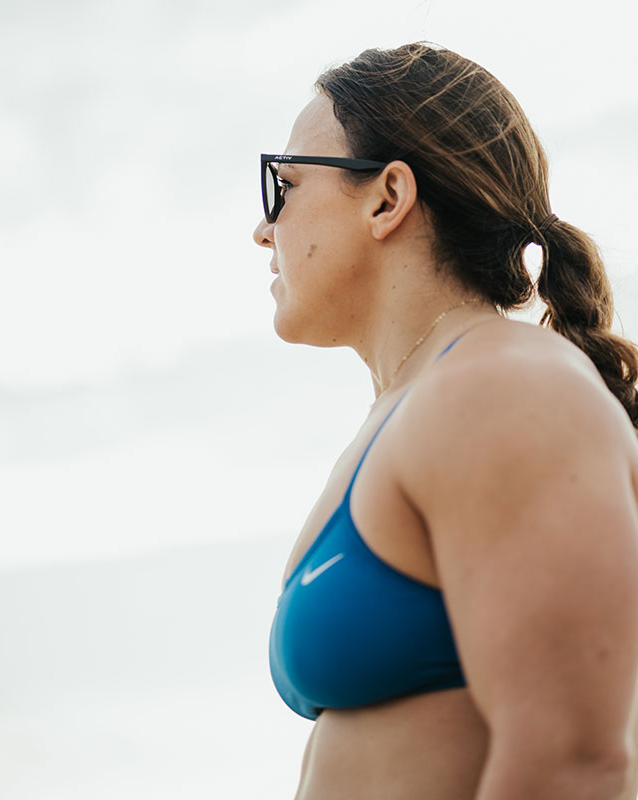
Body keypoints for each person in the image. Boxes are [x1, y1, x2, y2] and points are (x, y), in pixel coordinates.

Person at [252, 42, 638, 800]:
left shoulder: (503, 391)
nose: (264, 230)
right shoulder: (414, 407)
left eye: (285, 185)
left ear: (387, 198)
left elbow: (575, 766)